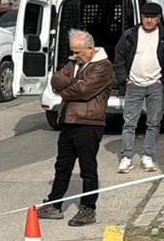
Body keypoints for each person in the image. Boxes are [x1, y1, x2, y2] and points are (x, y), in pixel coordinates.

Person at [38, 29, 112, 226]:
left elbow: (84, 91)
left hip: (89, 123)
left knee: (88, 168)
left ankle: (88, 208)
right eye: (73, 52)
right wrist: (73, 82)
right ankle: (54, 203)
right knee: (62, 166)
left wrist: (68, 87)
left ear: (90, 48)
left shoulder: (103, 66)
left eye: (78, 52)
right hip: (69, 121)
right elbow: (55, 80)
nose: (75, 56)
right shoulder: (74, 63)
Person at [113, 1, 164, 173]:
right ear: (141, 17)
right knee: (129, 123)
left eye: (152, 17)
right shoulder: (130, 35)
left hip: (156, 84)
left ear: (159, 18)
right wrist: (124, 79)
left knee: (154, 123)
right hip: (134, 84)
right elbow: (118, 59)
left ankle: (148, 156)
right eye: (146, 17)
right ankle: (126, 157)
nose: (148, 21)